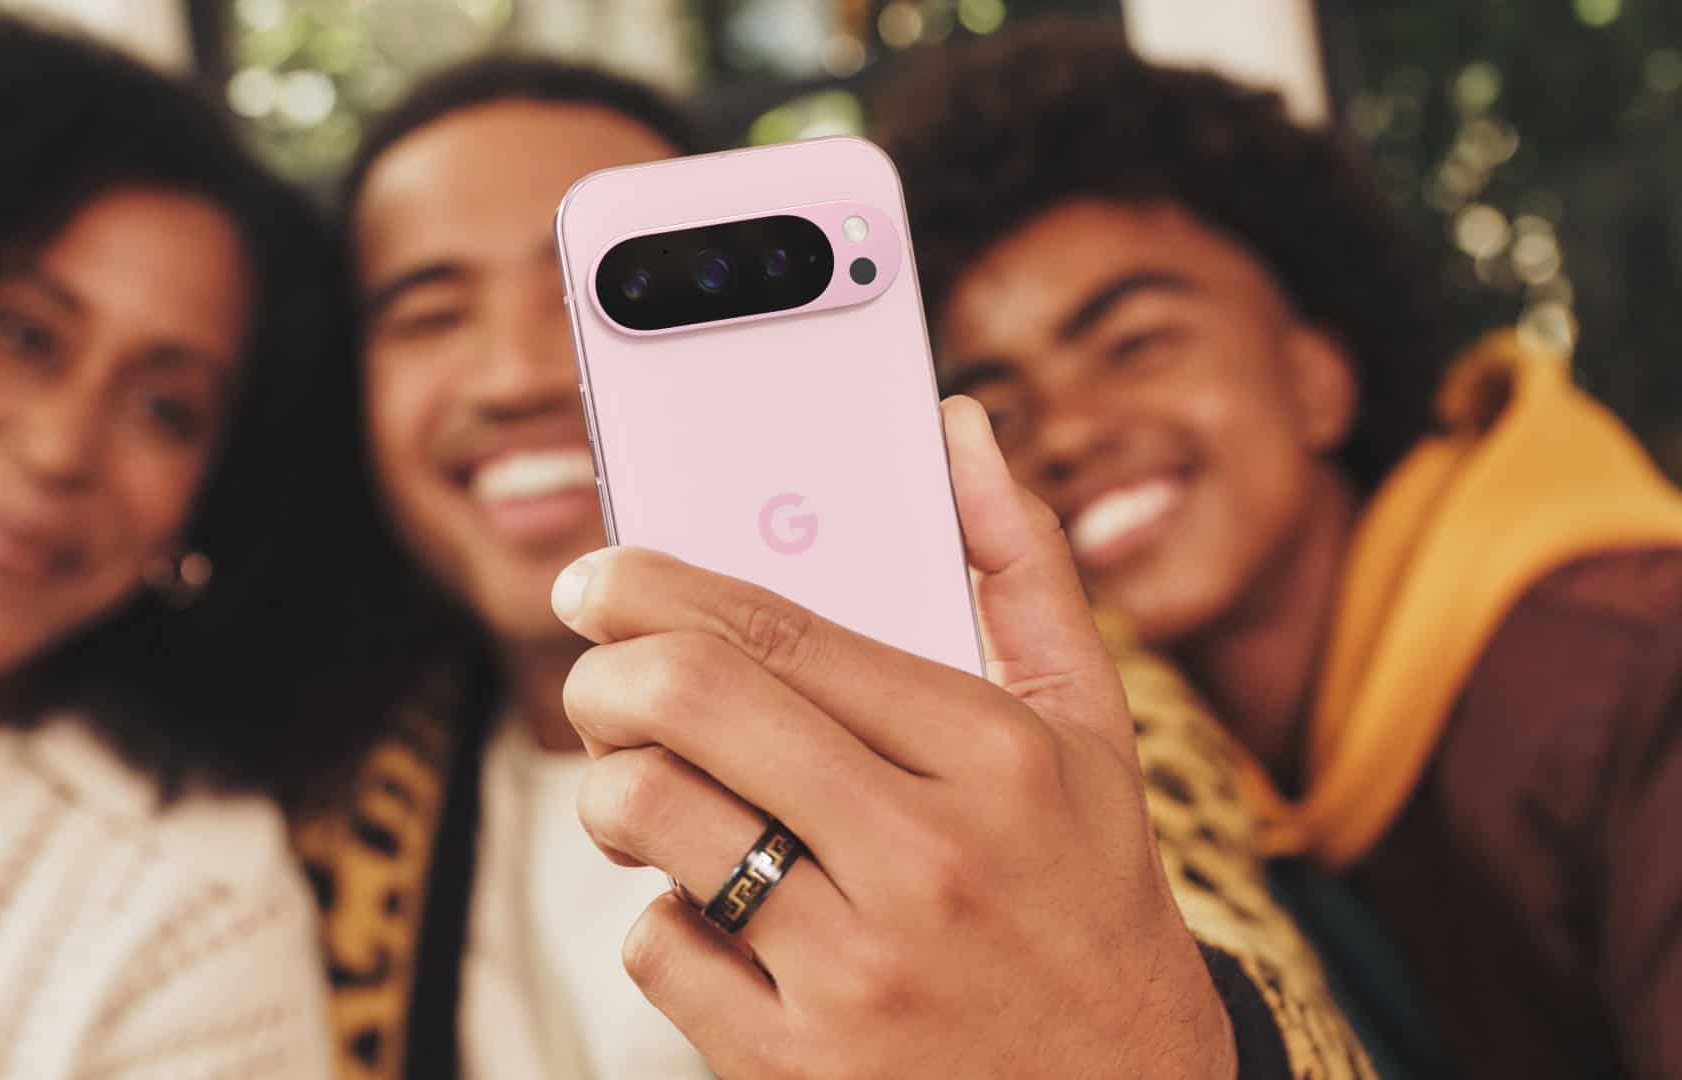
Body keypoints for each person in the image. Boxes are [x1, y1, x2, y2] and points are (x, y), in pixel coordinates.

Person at [297, 56, 1375, 1079]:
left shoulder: (1019, 710)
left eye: (587, 293)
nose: (516, 373)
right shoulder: (327, 817)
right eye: (428, 315)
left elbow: (1276, 1008)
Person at [875, 22, 1682, 1080]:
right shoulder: (1197, 792)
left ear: (1318, 377)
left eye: (1134, 345)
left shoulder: (1631, 673)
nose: (1064, 435)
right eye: (1002, 412)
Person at [0, 11, 375, 1075]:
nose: (60, 449)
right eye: (24, 336)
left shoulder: (194, 908)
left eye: (167, 408)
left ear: (223, 495)